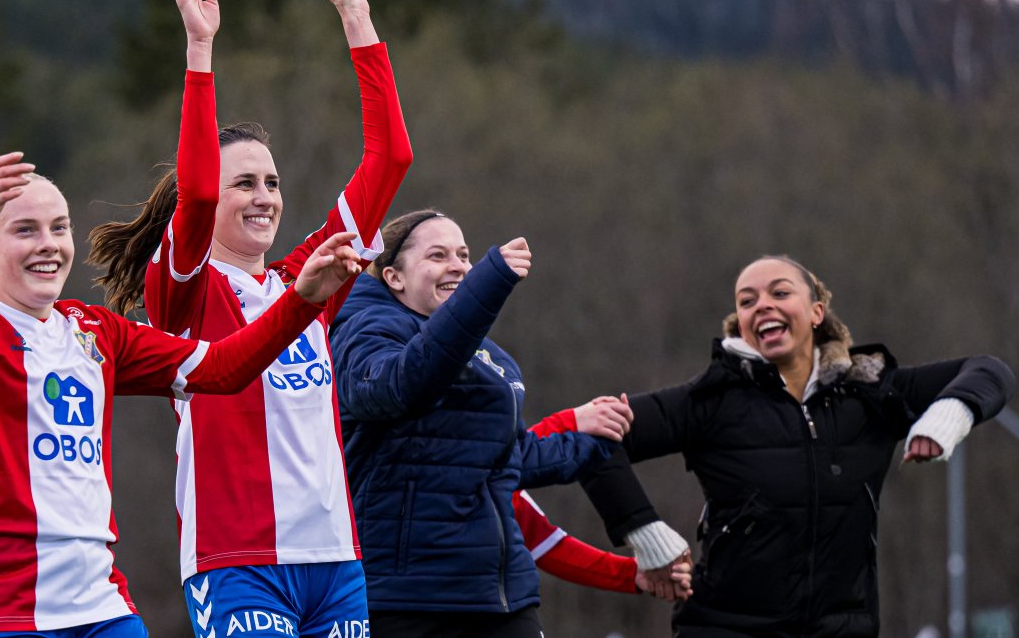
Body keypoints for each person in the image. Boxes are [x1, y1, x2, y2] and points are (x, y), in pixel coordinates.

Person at [0, 153, 364, 638]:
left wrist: (301, 301)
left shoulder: (96, 331)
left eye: (59, 228)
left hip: (100, 607)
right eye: (25, 230)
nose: (48, 245)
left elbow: (222, 369)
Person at [87, 0, 412, 637]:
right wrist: (200, 51)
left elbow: (390, 159)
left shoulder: (309, 275)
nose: (265, 195)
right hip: (237, 562)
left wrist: (358, 19)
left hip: (335, 562)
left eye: (272, 181)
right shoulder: (182, 288)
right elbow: (198, 194)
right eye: (246, 182)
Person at [581, 254, 1016, 637]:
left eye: (780, 292)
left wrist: (947, 416)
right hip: (724, 628)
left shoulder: (871, 394)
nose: (762, 305)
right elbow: (591, 437)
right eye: (747, 301)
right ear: (742, 325)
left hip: (844, 629)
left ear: (816, 312)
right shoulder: (707, 402)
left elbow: (990, 370)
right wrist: (646, 535)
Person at [328, 209, 686, 637]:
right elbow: (401, 385)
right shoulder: (365, 329)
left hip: (500, 595)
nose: (458, 266)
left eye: (464, 255)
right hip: (405, 598)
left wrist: (588, 437)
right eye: (438, 255)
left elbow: (508, 458)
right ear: (394, 277)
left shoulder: (489, 356)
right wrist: (485, 288)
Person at [520, 398, 691, 597]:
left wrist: (630, 573)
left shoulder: (502, 494)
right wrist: (571, 422)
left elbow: (542, 542)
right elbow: (498, 460)